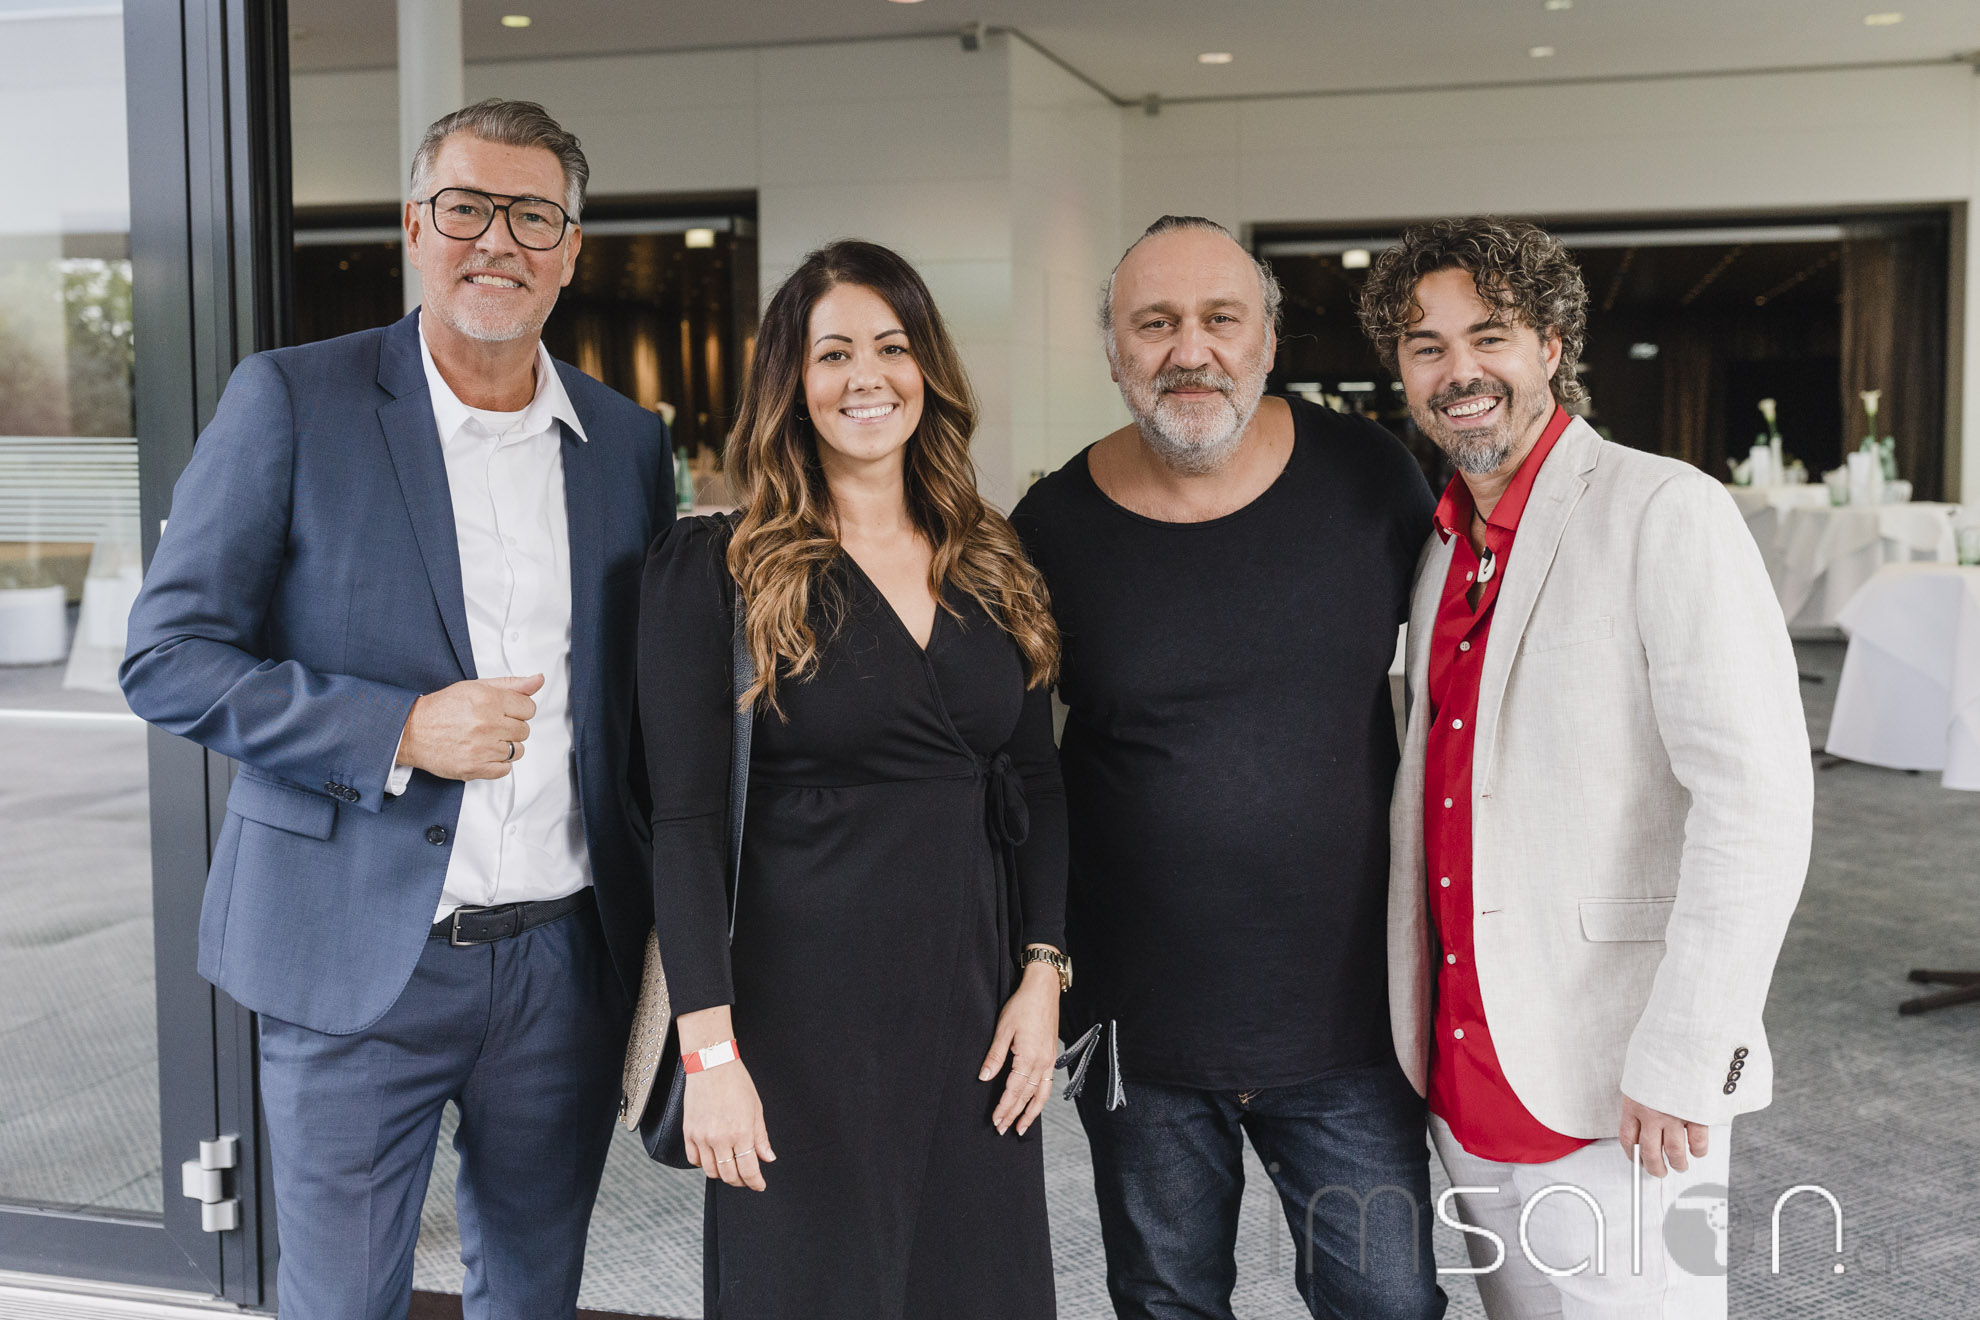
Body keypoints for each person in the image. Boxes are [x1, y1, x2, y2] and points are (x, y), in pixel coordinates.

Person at [119, 100, 668, 1318]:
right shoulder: (293, 399)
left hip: (563, 961)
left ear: (571, 250)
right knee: (340, 1300)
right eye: (466, 208)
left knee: (533, 1293)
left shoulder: (626, 444)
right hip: (358, 954)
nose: (498, 240)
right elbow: (167, 656)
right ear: (415, 227)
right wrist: (400, 731)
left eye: (534, 217)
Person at [1360, 216, 1811, 1319]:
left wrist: (1688, 1054)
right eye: (1427, 347)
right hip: (1468, 1069)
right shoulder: (1439, 548)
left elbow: (1756, 803)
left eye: (1490, 336)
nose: (1459, 371)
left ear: (1551, 345)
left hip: (1621, 1077)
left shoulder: (1665, 510)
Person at [1009, 215, 1444, 1320]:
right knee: (1165, 1302)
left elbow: (1477, 674)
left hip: (1351, 1017)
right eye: (1155, 323)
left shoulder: (1371, 477)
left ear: (1268, 338)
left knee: (1389, 1302)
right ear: (1114, 349)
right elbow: (1012, 763)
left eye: (1220, 319)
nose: (1189, 350)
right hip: (1134, 1026)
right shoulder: (1050, 526)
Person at [637, 238, 1067, 1319]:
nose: (865, 377)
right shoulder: (719, 569)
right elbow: (683, 826)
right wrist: (709, 1054)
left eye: (891, 346)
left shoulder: (992, 558)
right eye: (832, 354)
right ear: (792, 383)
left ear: (928, 369)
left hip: (971, 1008)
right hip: (795, 1027)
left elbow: (1037, 781)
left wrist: (1044, 976)